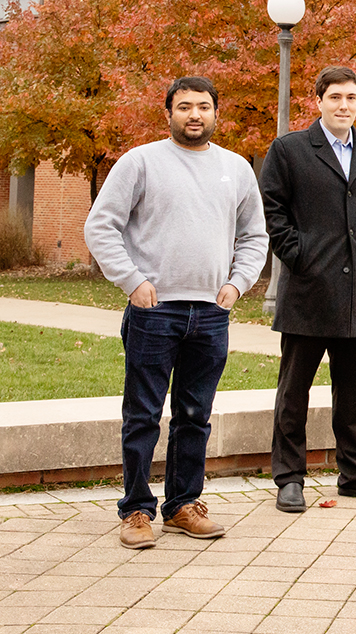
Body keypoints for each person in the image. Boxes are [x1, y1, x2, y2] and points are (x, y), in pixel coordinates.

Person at [84, 76, 268, 550]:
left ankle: (183, 504)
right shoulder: (141, 162)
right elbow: (101, 226)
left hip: (211, 313)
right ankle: (137, 511)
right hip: (154, 311)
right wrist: (133, 281)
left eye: (203, 106)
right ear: (168, 113)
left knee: (195, 415)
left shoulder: (236, 168)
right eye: (184, 106)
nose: (194, 114)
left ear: (215, 113)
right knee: (143, 414)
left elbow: (254, 237)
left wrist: (237, 283)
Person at [260, 66, 356, 513]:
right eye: (335, 97)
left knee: (351, 394)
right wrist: (301, 255)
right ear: (318, 101)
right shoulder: (290, 149)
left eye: (351, 98)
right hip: (309, 293)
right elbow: (272, 212)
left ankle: (355, 473)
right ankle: (289, 477)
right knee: (294, 392)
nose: (343, 106)